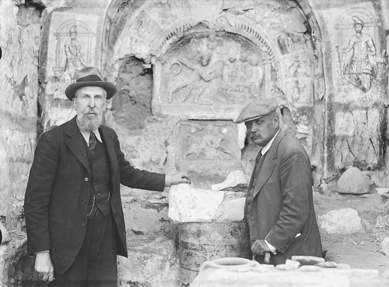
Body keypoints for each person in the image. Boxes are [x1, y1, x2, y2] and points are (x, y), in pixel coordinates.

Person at [24, 67, 191, 286]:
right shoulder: (53, 141)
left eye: (98, 98)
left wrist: (167, 180)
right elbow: (36, 200)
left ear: (105, 103)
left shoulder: (109, 137)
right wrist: (42, 251)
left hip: (104, 239)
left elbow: (127, 173)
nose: (91, 104)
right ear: (75, 103)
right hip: (67, 242)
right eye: (85, 97)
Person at [236, 98, 322, 265]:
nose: (252, 129)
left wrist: (271, 243)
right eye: (248, 124)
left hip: (293, 256)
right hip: (277, 256)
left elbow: (296, 209)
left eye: (259, 122)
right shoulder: (268, 150)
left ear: (275, 121)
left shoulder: (290, 152)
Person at [339, 16, 377, 92]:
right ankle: (359, 87)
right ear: (355, 28)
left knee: (366, 84)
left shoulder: (367, 38)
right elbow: (348, 48)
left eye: (359, 26)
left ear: (362, 27)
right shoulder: (353, 38)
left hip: (365, 62)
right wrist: (340, 50)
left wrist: (369, 52)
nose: (358, 28)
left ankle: (364, 89)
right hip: (354, 62)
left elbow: (373, 50)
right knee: (347, 74)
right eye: (356, 27)